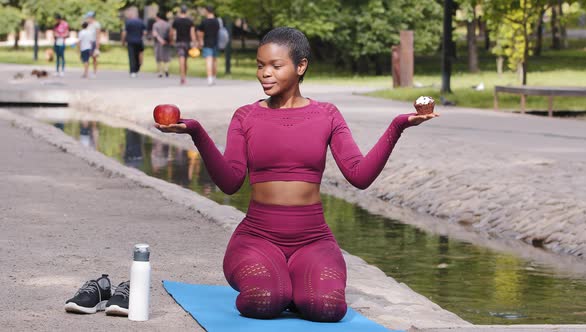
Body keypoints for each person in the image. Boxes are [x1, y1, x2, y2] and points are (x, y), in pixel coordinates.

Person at [155, 27, 438, 322]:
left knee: (328, 308)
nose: (265, 73)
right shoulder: (245, 116)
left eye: (276, 66)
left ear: (301, 66)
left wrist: (397, 126)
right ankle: (283, 287)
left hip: (313, 240)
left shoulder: (327, 114)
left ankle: (294, 286)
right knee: (263, 301)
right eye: (260, 65)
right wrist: (197, 132)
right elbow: (230, 182)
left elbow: (359, 175)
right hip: (256, 239)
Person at [170, 5, 197, 85]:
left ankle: (182, 77)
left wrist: (171, 40)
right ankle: (184, 75)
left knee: (181, 59)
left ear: (180, 11)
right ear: (186, 12)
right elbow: (192, 33)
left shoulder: (176, 21)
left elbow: (172, 32)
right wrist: (194, 43)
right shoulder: (190, 21)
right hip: (187, 43)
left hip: (179, 42)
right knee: (185, 60)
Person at [197, 5, 220, 86]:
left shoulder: (204, 21)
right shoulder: (217, 21)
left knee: (208, 61)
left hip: (207, 43)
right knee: (214, 61)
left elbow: (199, 33)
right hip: (216, 43)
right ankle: (214, 77)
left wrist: (200, 42)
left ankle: (209, 79)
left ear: (207, 11)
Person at [121, 7, 146, 78]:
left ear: (131, 14)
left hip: (130, 41)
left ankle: (132, 71)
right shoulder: (141, 21)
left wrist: (123, 41)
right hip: (139, 41)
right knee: (137, 55)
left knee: (131, 56)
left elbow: (124, 32)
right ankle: (137, 68)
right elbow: (145, 32)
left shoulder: (128, 22)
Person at [152, 11, 171, 78]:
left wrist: (160, 40)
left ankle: (160, 72)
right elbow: (170, 34)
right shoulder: (167, 24)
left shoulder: (155, 24)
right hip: (167, 42)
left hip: (158, 43)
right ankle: (166, 69)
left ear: (157, 17)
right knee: (166, 56)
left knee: (158, 57)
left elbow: (155, 34)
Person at [85, 11, 101, 78]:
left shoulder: (96, 24)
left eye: (88, 18)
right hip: (87, 43)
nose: (87, 19)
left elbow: (98, 35)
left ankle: (94, 73)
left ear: (91, 17)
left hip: (93, 43)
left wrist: (97, 47)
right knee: (86, 58)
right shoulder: (87, 25)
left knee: (94, 58)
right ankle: (86, 72)